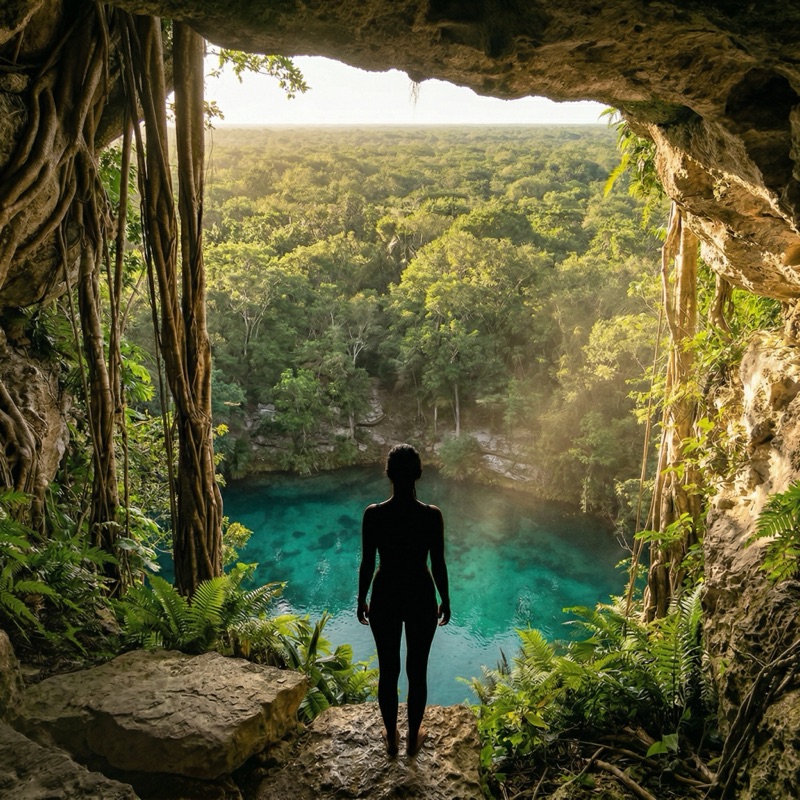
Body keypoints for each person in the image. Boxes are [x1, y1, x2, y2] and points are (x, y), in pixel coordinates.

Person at [357, 443, 451, 757]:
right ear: (418, 474)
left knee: (388, 670)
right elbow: (438, 564)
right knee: (417, 671)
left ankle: (392, 739)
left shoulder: (374, 514)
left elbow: (367, 563)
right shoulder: (431, 516)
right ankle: (412, 740)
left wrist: (361, 598)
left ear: (389, 474)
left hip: (385, 593)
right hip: (420, 594)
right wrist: (445, 599)